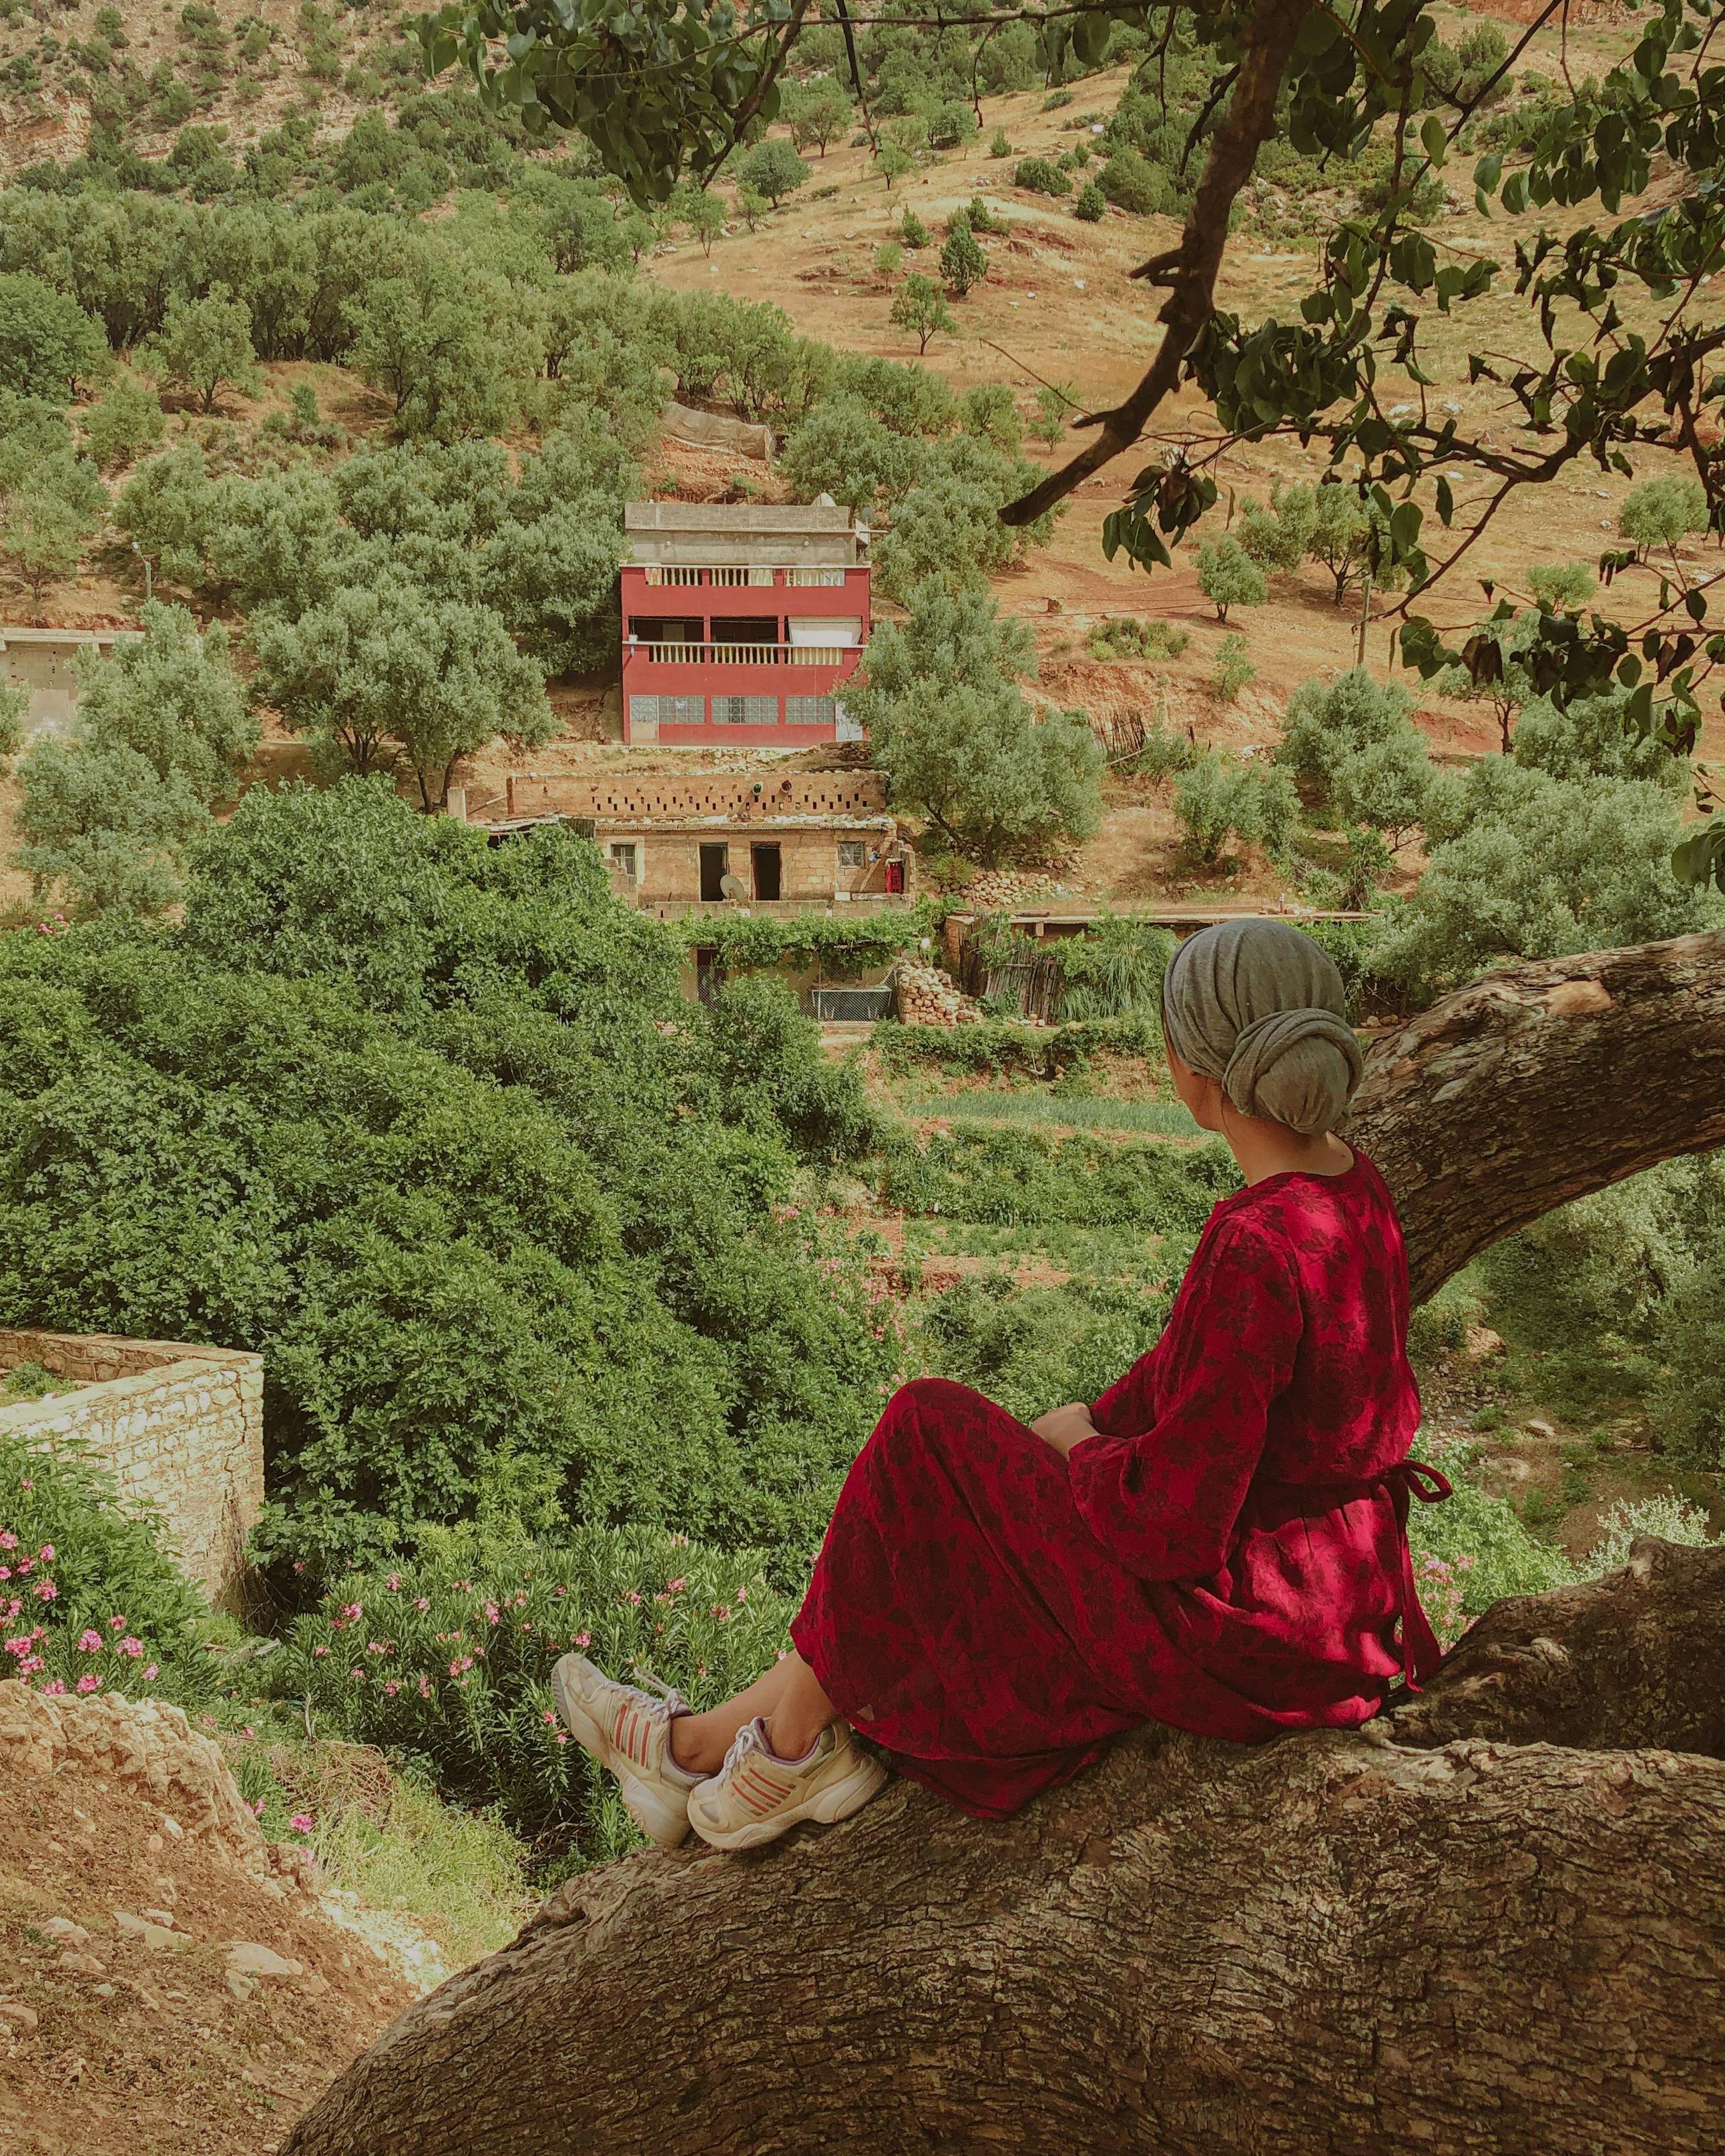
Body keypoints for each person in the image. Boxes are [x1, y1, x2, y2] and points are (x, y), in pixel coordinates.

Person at [553, 918, 1451, 1852]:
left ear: (1195, 1067)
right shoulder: (1355, 1189)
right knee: (954, 1475)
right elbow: (1212, 1378)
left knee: (921, 1430)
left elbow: (1178, 1522)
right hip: (1337, 1599)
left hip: (1251, 1626)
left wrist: (1090, 1456)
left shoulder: (1253, 1242)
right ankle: (693, 1747)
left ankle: (781, 1747)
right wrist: (1099, 1418)